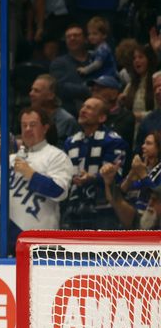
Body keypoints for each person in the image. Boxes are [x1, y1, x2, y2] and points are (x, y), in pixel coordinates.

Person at [0, 108, 76, 251]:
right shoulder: (10, 160)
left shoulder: (57, 156)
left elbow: (59, 192)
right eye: (24, 125)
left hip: (42, 242)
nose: (28, 129)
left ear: (45, 128)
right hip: (10, 240)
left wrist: (30, 174)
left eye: (33, 125)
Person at [63, 97, 128, 230]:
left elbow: (116, 176)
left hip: (103, 210)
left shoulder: (114, 141)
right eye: (83, 106)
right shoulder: (70, 142)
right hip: (73, 209)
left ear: (102, 118)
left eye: (90, 108)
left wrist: (92, 178)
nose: (83, 110)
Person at [50, 24, 91, 116]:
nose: (72, 38)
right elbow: (61, 88)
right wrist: (89, 90)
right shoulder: (58, 63)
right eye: (68, 37)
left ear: (85, 39)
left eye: (76, 35)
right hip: (70, 110)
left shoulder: (96, 58)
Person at [29, 74, 80, 144]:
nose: (31, 93)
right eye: (32, 90)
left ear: (50, 95)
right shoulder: (31, 117)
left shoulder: (67, 121)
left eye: (36, 91)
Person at [77, 16, 117, 81]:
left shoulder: (103, 48)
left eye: (95, 34)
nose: (91, 37)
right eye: (89, 34)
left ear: (104, 35)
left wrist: (85, 70)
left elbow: (97, 64)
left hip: (107, 77)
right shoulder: (98, 47)